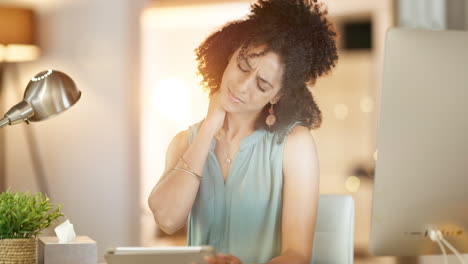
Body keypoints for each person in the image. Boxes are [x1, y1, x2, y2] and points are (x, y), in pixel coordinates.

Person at [148, 0, 338, 263]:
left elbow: (298, 254)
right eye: (243, 66)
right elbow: (168, 220)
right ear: (229, 56)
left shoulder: (294, 144)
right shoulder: (185, 142)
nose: (243, 86)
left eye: (262, 84)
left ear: (277, 95)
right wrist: (209, 127)